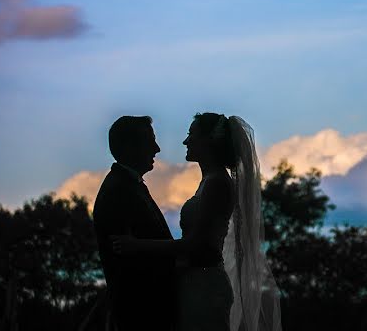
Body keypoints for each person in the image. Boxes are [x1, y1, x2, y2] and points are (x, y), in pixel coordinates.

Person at [112, 113, 281, 331]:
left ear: (209, 141)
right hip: (196, 282)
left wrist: (137, 246)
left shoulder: (217, 184)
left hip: (205, 286)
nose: (186, 141)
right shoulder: (209, 182)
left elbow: (196, 244)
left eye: (192, 134)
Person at [93, 115, 176, 331]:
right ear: (130, 146)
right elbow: (128, 261)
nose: (156, 149)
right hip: (143, 313)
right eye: (150, 141)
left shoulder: (129, 185)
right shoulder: (118, 190)